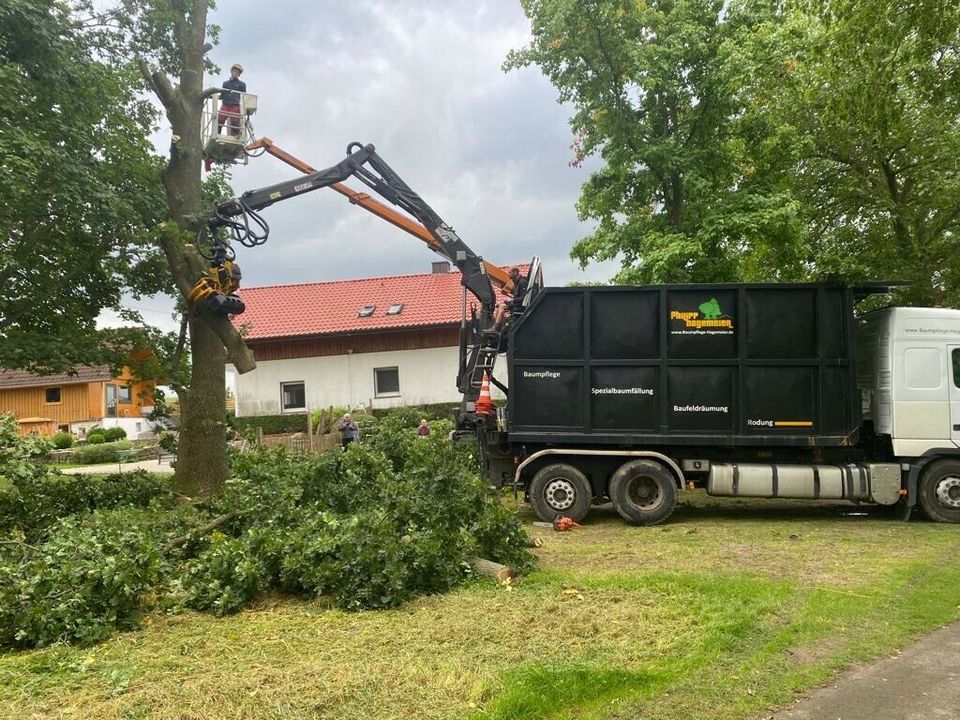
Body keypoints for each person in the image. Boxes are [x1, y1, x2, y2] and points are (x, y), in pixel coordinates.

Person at [218, 62, 246, 136]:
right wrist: (212, 96)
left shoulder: (241, 84)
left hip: (235, 105)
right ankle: (218, 134)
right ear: (232, 71)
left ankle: (236, 135)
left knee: (235, 121)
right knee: (220, 119)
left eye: (238, 72)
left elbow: (244, 97)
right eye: (235, 71)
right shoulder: (225, 83)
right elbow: (222, 95)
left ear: (239, 74)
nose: (236, 73)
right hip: (226, 104)